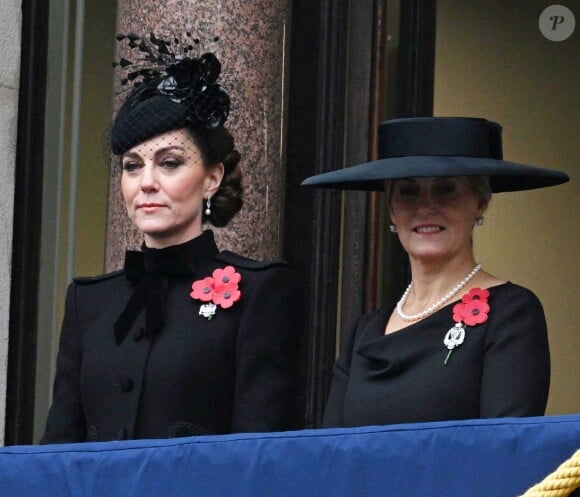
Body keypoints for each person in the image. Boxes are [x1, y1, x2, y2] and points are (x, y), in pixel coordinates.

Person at [41, 34, 303, 443]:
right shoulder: (88, 303)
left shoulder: (261, 292)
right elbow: (58, 449)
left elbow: (260, 454)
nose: (146, 183)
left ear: (211, 178)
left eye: (169, 163)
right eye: (132, 166)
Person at [301, 116, 569, 427]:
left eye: (445, 190)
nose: (426, 207)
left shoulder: (511, 314)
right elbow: (331, 451)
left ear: (480, 202)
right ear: (391, 208)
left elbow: (505, 451)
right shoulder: (365, 330)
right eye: (408, 192)